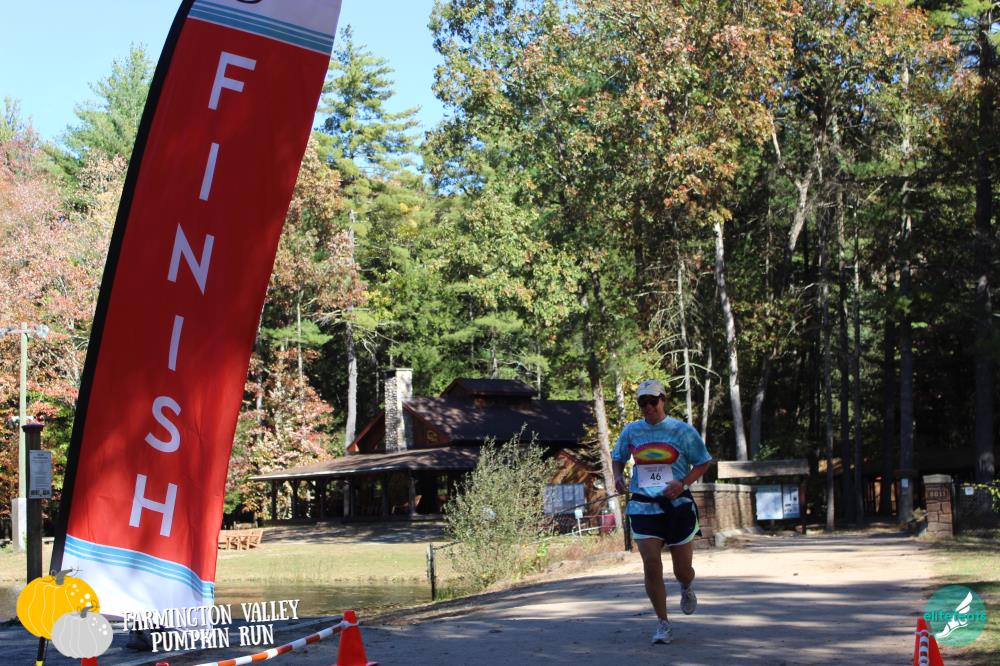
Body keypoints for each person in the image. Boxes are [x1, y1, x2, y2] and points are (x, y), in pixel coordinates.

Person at [612, 379, 712, 645]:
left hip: (677, 507)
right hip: (643, 506)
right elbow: (617, 456)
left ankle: (686, 585)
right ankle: (663, 622)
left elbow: (703, 462)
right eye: (642, 402)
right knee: (651, 563)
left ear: (663, 400)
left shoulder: (682, 431)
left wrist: (683, 483)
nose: (648, 407)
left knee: (682, 569)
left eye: (652, 401)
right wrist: (617, 477)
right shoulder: (632, 431)